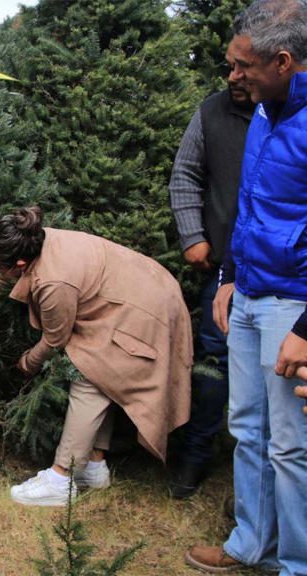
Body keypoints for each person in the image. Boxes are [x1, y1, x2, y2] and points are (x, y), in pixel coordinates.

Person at [0, 207, 192, 507]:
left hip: (147, 309)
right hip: (137, 292)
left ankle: (61, 479)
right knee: (102, 377)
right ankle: (93, 466)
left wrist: (27, 363)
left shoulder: (54, 282)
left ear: (20, 263)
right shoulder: (35, 241)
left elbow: (55, 338)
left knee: (90, 375)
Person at [185, 1, 307, 574]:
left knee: (291, 444)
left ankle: (296, 563)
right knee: (247, 429)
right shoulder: (263, 111)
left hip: (295, 305)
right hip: (250, 294)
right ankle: (249, 545)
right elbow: (250, 209)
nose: (232, 76)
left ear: (283, 61)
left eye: (242, 66)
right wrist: (230, 277)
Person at [167, 49, 255, 499]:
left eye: (244, 67)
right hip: (222, 270)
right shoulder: (211, 112)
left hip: (284, 275)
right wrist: (192, 236)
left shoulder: (287, 117)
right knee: (212, 363)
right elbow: (184, 175)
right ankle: (196, 457)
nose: (233, 77)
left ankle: (262, 483)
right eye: (231, 67)